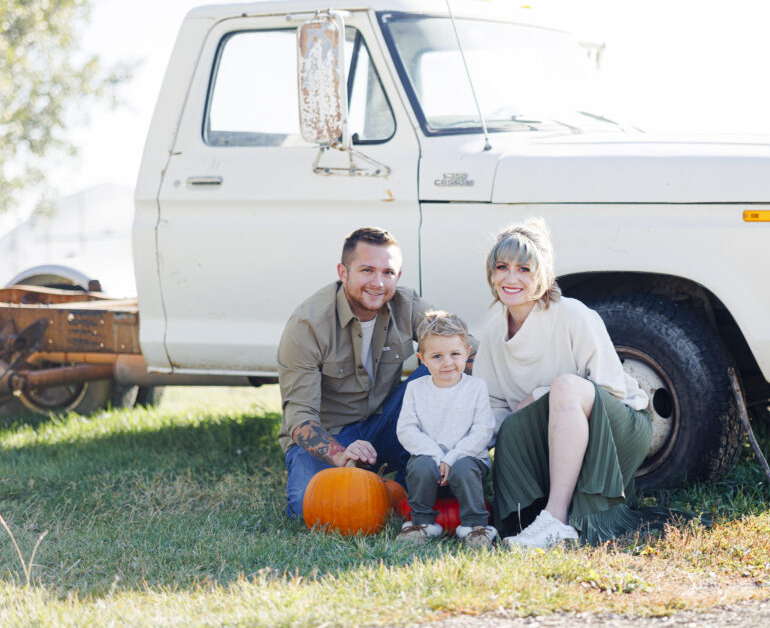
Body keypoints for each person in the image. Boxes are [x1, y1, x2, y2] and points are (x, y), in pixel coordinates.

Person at [472, 218, 652, 548]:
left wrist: (540, 395)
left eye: (524, 269)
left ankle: (557, 520)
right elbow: (490, 406)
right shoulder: (493, 330)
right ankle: (532, 518)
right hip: (549, 432)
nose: (511, 278)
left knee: (566, 386)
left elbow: (609, 389)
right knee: (510, 422)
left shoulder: (572, 314)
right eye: (502, 267)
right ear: (491, 272)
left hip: (617, 427)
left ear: (542, 274)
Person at [278, 227, 457, 518]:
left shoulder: (407, 304)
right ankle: (386, 487)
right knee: (306, 509)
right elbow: (299, 420)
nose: (378, 283)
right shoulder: (307, 325)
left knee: (438, 368)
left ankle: (407, 482)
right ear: (343, 271)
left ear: (398, 276)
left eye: (388, 272)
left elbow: (465, 349)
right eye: (367, 270)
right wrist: (340, 454)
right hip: (332, 436)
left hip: (387, 424)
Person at [395, 311, 497, 548]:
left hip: (467, 460)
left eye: (454, 354)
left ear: (467, 352)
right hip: (430, 459)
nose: (447, 362)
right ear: (422, 358)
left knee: (463, 468)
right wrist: (436, 456)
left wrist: (450, 458)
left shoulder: (476, 388)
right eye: (437, 356)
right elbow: (407, 430)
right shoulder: (415, 389)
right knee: (418, 466)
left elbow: (482, 431)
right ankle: (420, 523)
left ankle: (476, 527)